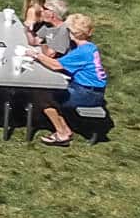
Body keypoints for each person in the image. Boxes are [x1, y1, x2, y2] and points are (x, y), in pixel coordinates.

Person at [32, 13, 107, 145]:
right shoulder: (89, 47)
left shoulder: (81, 52)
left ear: (71, 33)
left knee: (43, 98)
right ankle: (65, 129)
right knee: (50, 92)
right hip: (93, 90)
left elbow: (56, 65)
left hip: (87, 93)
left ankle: (62, 134)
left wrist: (36, 55)